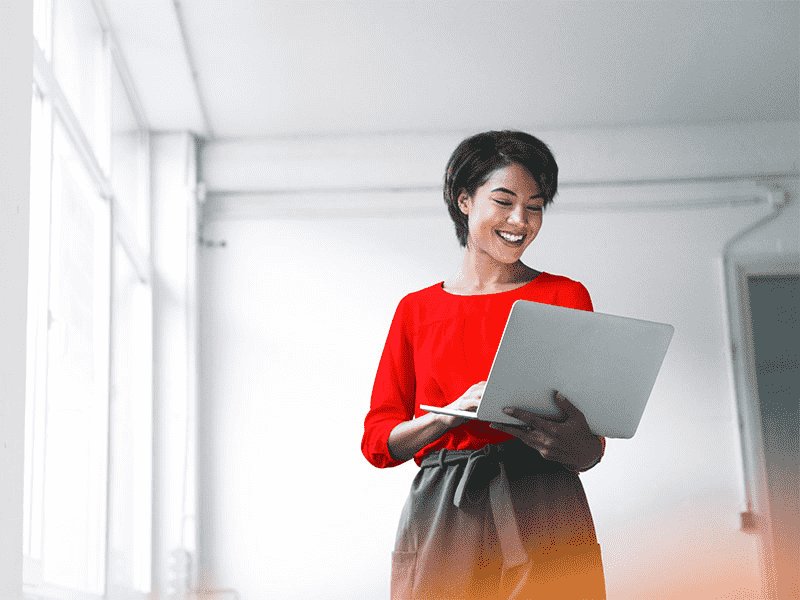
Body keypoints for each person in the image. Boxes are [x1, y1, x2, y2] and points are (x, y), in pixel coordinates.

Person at [361, 130, 606, 599]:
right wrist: (449, 413)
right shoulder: (416, 310)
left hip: (547, 499)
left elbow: (590, 450)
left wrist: (573, 443)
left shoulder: (564, 296)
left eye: (535, 206)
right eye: (504, 201)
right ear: (465, 201)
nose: (521, 220)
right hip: (447, 505)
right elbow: (378, 442)